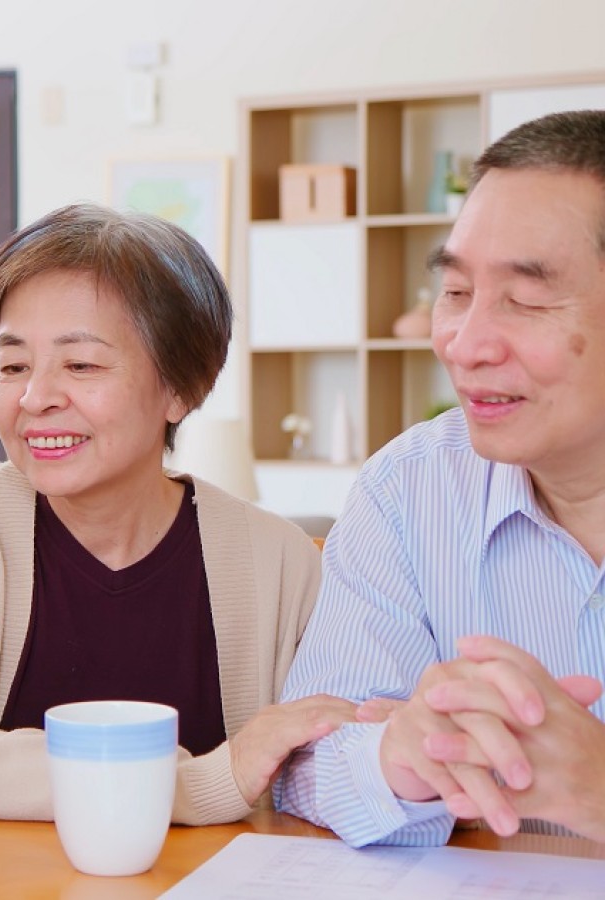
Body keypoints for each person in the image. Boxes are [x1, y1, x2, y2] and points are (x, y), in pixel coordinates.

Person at [0, 203, 358, 825]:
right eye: (13, 366)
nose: (36, 398)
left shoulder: (279, 560)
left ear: (180, 388)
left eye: (82, 365)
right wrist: (198, 783)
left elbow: (332, 760)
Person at [276, 109, 605, 847]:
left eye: (523, 299)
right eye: (455, 292)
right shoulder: (409, 488)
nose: (465, 344)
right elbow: (304, 758)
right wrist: (403, 757)